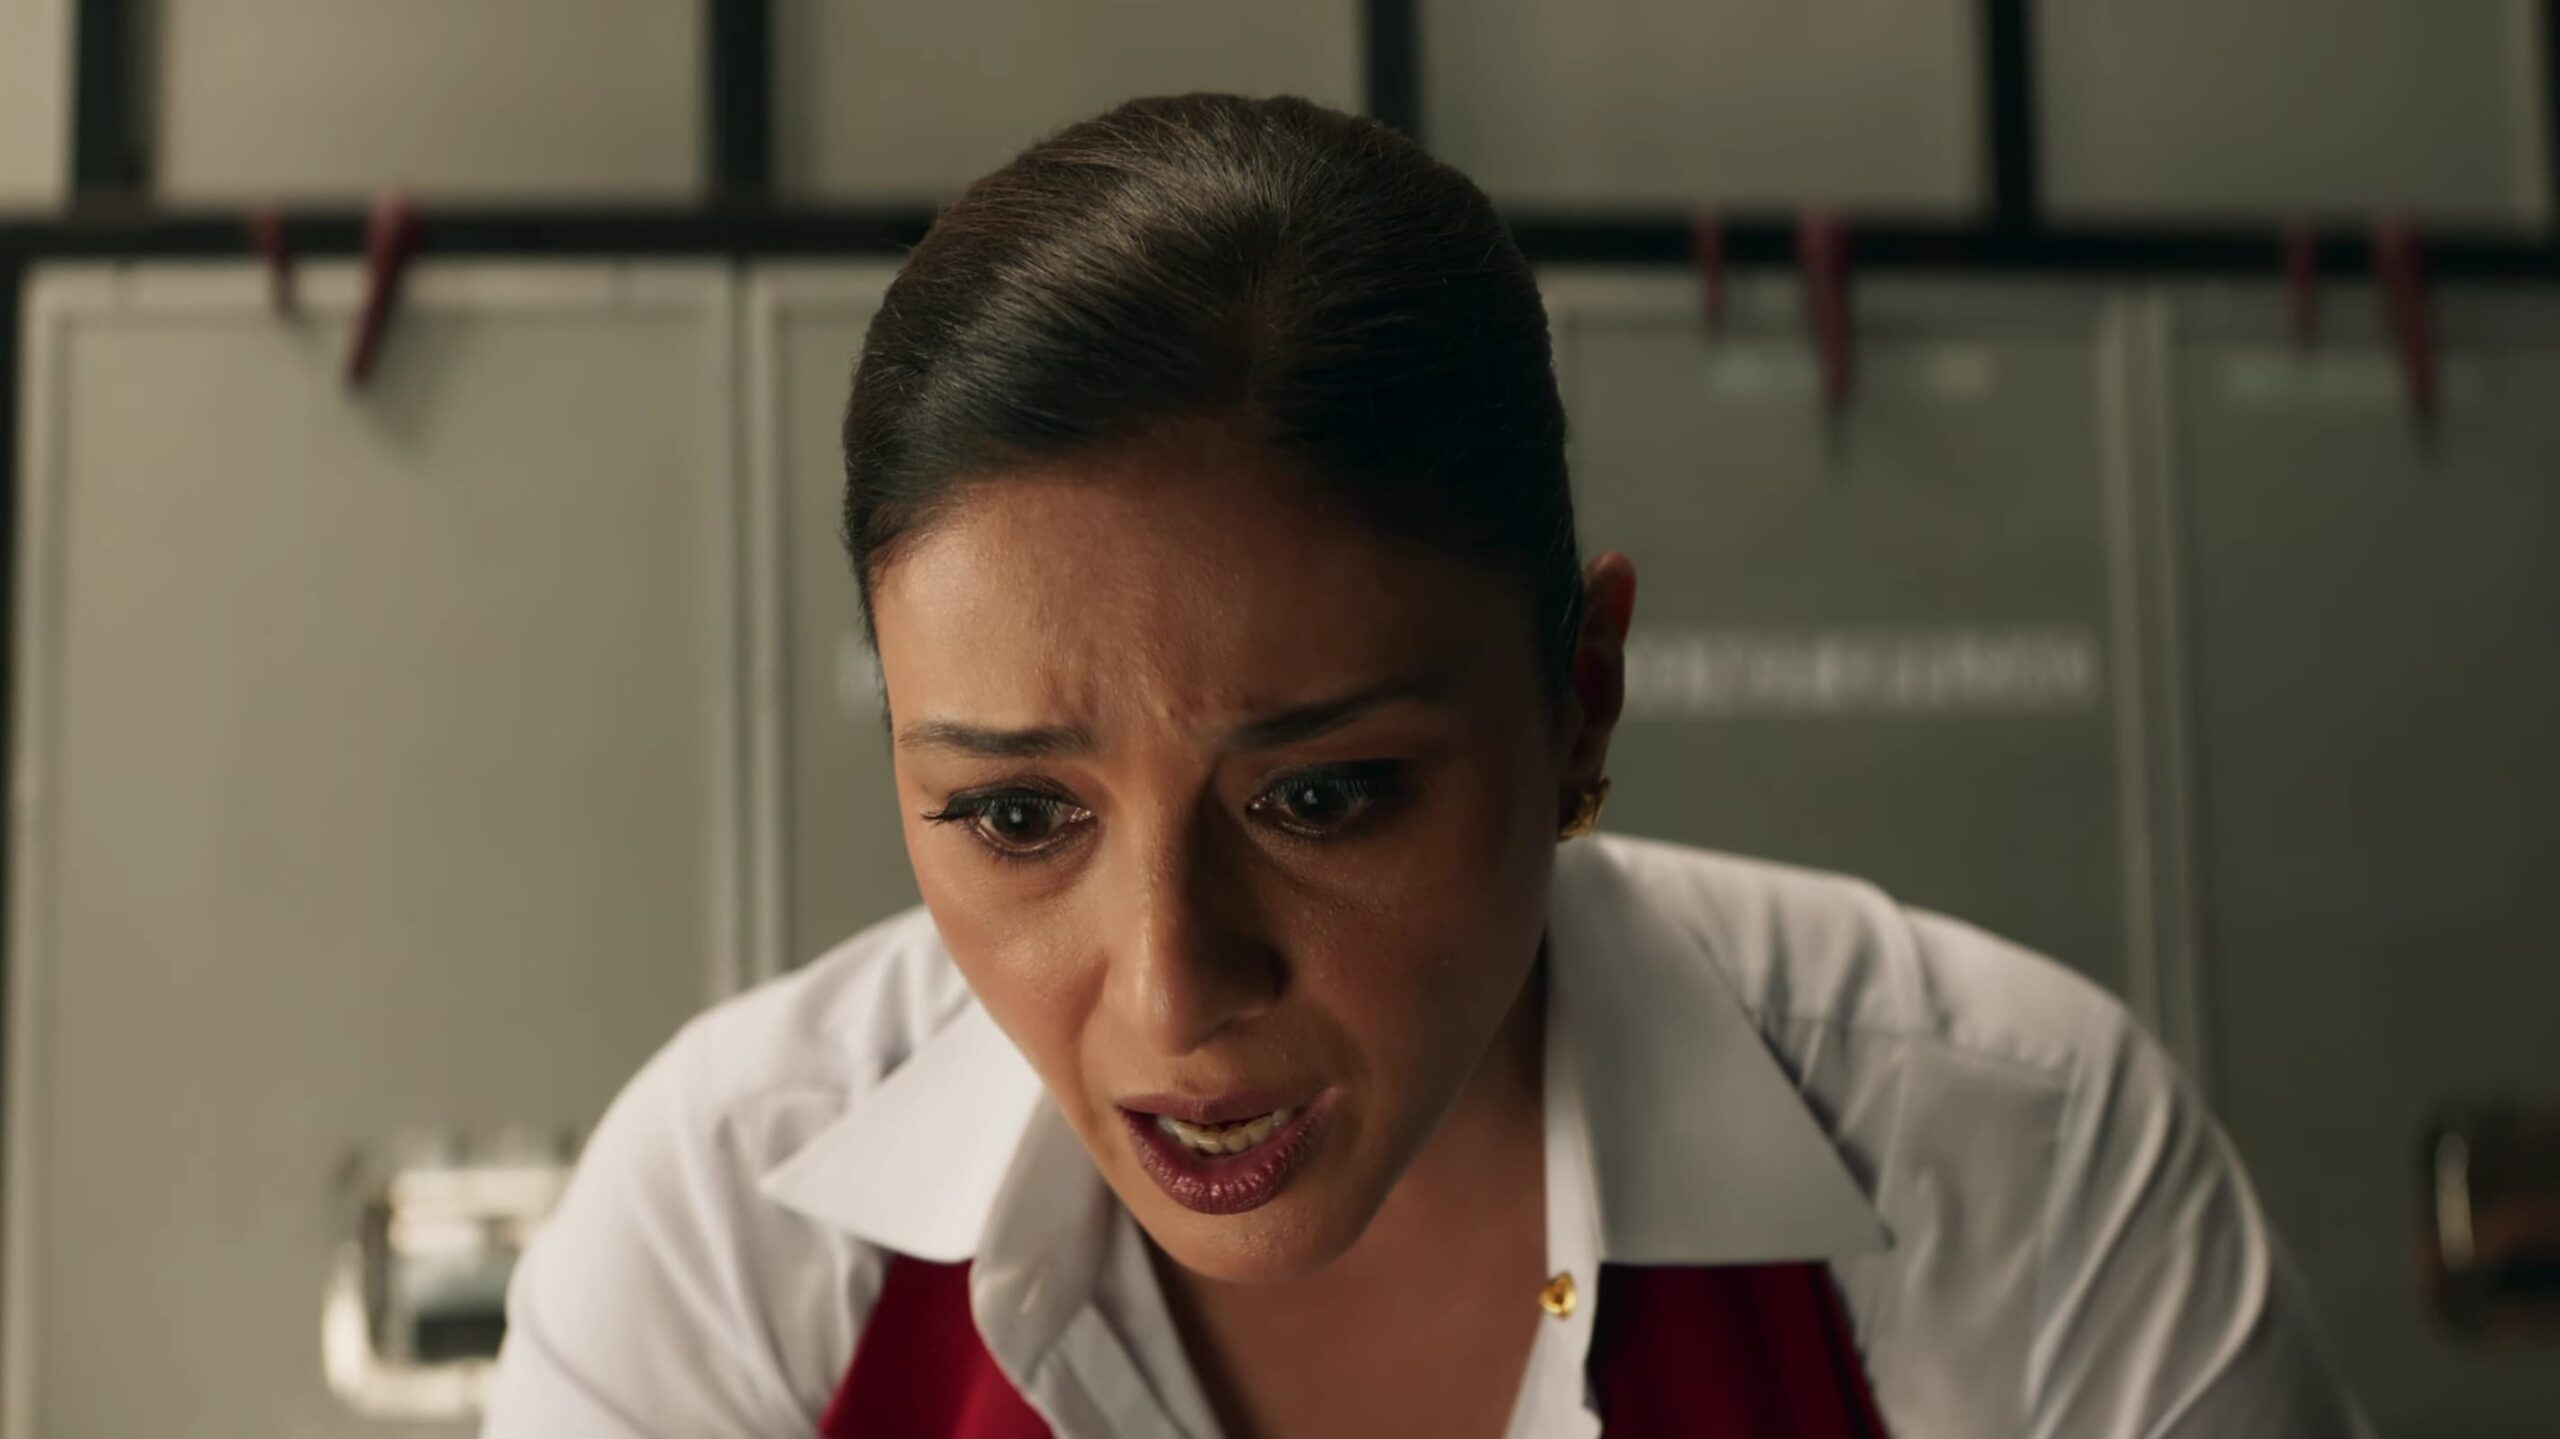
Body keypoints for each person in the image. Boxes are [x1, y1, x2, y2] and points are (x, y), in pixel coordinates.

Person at [482, 94, 2369, 1438]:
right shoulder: (731, 1233)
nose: (1174, 990)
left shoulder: (2017, 1170)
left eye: (1319, 797)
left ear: (1581, 696)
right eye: (1017, 815)